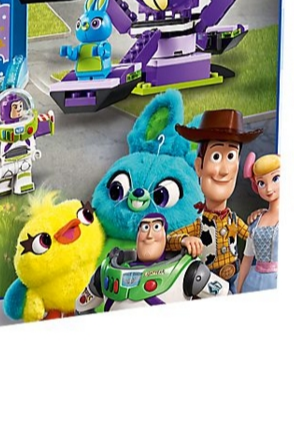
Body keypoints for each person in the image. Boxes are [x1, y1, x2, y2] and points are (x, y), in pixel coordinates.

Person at [166, 109, 262, 293]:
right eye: (216, 156)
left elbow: (253, 235)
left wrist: (263, 217)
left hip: (235, 277)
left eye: (231, 157)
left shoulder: (234, 220)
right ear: (199, 166)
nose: (224, 171)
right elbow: (168, 240)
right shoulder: (199, 224)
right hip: (207, 284)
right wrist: (185, 240)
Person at [76, 213, 227, 314]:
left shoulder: (187, 271)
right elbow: (81, 308)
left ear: (165, 237)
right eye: (145, 228)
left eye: (156, 227)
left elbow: (226, 298)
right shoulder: (107, 271)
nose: (149, 235)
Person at [237, 154, 280, 293]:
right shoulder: (256, 220)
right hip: (253, 282)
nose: (269, 189)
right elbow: (247, 257)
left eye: (276, 179)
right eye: (262, 183)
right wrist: (238, 288)